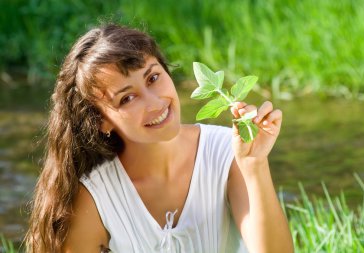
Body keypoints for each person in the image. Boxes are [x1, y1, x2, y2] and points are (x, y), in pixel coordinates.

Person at [25, 24, 293, 253]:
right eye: (127, 98)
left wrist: (254, 164)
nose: (154, 103)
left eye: (153, 78)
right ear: (101, 121)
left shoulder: (226, 152)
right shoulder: (95, 196)